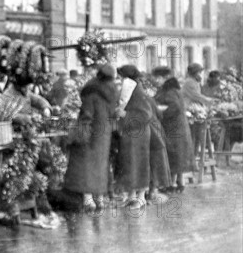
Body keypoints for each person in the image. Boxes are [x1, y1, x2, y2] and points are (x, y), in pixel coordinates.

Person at [63, 64, 117, 211]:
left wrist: (76, 135)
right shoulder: (112, 92)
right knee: (100, 166)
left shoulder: (91, 93)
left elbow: (86, 116)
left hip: (91, 134)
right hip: (104, 135)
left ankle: (88, 199)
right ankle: (99, 198)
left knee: (86, 166)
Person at [152, 66, 195, 193]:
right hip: (177, 127)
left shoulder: (170, 91)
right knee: (178, 156)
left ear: (164, 78)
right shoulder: (173, 89)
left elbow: (174, 107)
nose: (156, 81)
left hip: (174, 128)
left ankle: (172, 185)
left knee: (174, 155)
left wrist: (160, 112)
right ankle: (179, 183)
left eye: (157, 78)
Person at [114, 65, 152, 209]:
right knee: (129, 163)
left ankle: (141, 197)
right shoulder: (130, 89)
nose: (120, 79)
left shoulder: (138, 91)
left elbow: (145, 115)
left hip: (139, 133)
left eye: (121, 76)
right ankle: (131, 196)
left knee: (139, 164)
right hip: (130, 133)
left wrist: (125, 115)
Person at [182, 63, 215, 155]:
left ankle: (194, 159)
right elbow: (195, 96)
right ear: (194, 73)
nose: (201, 75)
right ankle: (192, 160)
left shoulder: (194, 82)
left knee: (196, 137)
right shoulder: (189, 82)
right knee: (193, 137)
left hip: (194, 111)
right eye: (199, 72)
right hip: (188, 112)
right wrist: (208, 100)